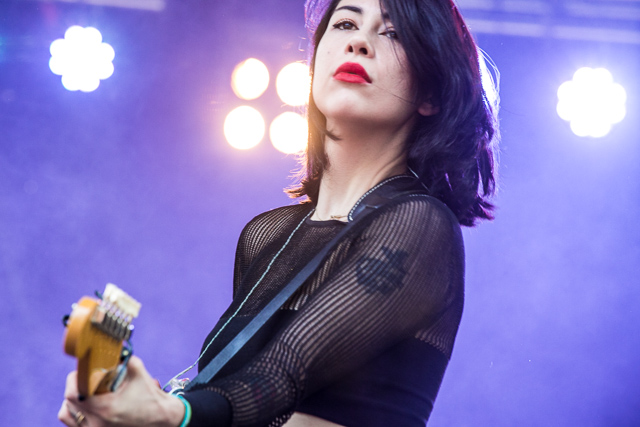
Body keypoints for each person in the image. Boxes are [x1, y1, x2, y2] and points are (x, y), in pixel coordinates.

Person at [59, 0, 498, 425]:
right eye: (345, 24)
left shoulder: (419, 225)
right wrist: (130, 408)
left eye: (393, 33)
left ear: (432, 93)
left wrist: (173, 414)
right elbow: (233, 393)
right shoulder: (267, 235)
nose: (359, 43)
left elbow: (283, 372)